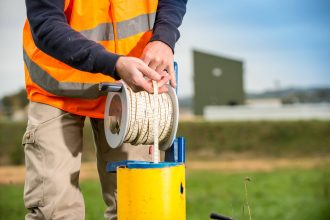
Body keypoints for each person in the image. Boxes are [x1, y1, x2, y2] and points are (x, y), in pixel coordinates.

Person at [22, 0, 187, 219]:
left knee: (137, 205)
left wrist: (165, 38)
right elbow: (46, 22)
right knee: (54, 210)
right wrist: (115, 64)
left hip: (133, 89)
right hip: (56, 86)